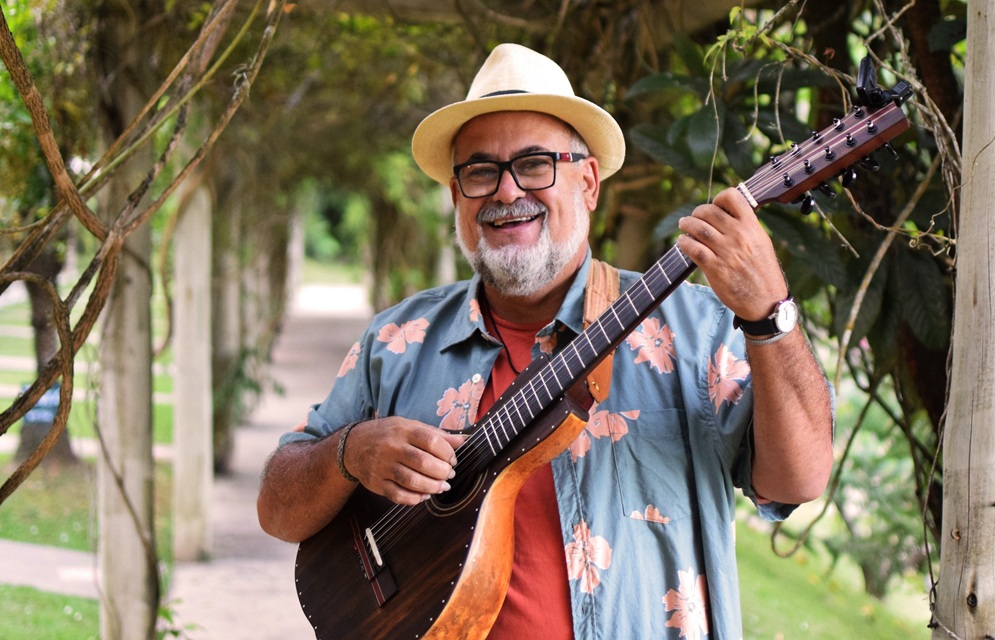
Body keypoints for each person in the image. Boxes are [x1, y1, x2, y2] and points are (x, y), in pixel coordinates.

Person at [257, 43, 833, 639]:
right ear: (456, 197)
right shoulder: (398, 341)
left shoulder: (693, 330)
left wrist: (770, 316)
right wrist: (350, 451)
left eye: (535, 164)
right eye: (480, 171)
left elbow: (799, 480)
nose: (507, 192)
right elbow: (278, 508)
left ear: (587, 183)